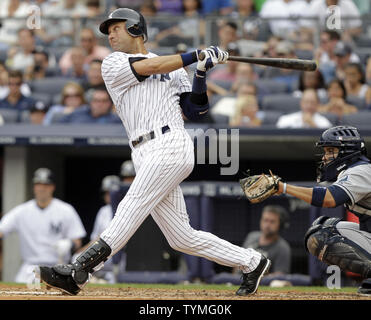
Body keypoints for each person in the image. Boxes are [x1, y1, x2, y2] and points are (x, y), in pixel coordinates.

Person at [37, 7, 271, 297]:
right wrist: (195, 56)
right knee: (181, 238)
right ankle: (252, 261)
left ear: (135, 28)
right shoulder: (113, 63)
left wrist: (200, 71)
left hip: (171, 143)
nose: (110, 34)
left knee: (131, 203)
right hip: (142, 150)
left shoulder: (176, 68)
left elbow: (196, 109)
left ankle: (80, 269)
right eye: (108, 30)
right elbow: (150, 67)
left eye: (116, 28)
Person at [269, 125, 371, 295]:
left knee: (323, 234)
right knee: (323, 227)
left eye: (331, 150)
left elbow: (329, 198)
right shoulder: (357, 170)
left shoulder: (361, 171)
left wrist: (283, 187)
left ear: (347, 152)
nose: (325, 157)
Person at [0, 168, 86, 283]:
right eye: (39, 184)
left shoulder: (66, 210)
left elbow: (78, 241)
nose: (42, 188)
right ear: (34, 187)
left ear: (52, 187)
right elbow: (1, 230)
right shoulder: (21, 211)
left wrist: (69, 244)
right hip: (29, 269)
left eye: (46, 184)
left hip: (57, 268)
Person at [242, 205, 291, 276]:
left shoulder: (283, 247)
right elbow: (237, 266)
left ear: (280, 225)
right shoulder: (251, 236)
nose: (267, 225)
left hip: (260, 283)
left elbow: (280, 276)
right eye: (265, 220)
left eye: (272, 222)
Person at [57, 87, 121, 124]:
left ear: (109, 104)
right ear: (91, 102)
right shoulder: (78, 113)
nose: (100, 104)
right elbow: (59, 127)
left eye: (104, 101)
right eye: (96, 101)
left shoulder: (116, 120)